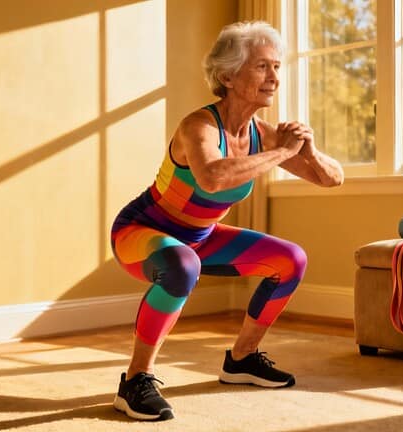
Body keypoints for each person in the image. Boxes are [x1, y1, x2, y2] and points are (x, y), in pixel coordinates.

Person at [110, 21, 344, 421]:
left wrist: (310, 149)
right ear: (228, 76)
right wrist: (284, 153)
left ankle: (241, 360)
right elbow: (213, 177)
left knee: (291, 259)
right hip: (144, 232)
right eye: (262, 67)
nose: (274, 77)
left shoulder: (263, 134)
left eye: (276, 67)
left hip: (201, 236)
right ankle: (135, 380)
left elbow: (332, 178)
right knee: (182, 265)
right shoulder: (198, 126)